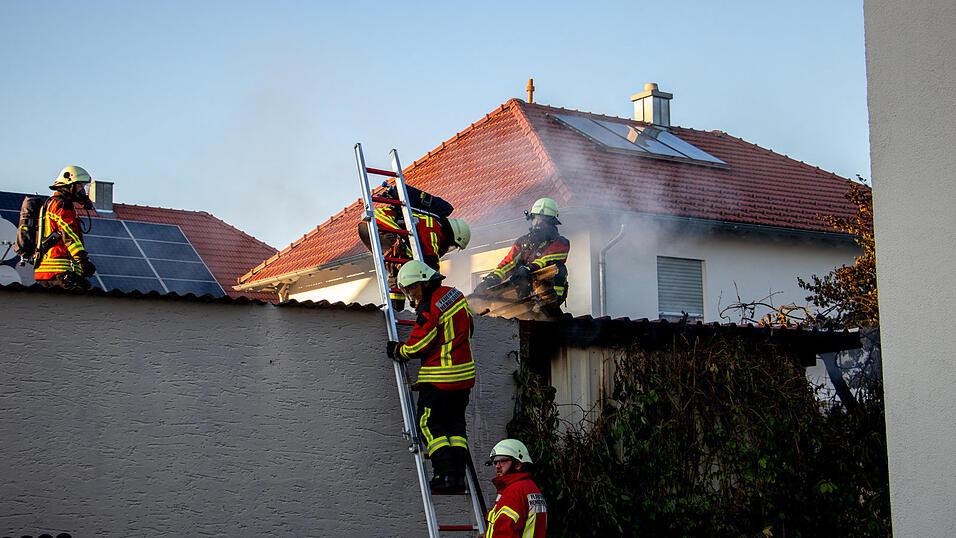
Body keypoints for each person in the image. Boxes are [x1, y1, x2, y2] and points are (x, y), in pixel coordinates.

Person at [386, 260, 475, 492]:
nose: (411, 295)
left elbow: (419, 345)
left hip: (440, 379)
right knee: (455, 428)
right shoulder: (455, 295)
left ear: (424, 282)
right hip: (463, 378)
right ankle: (457, 476)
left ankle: (445, 475)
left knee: (428, 424)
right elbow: (470, 327)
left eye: (412, 288)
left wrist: (399, 350)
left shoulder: (430, 306)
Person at [359, 204, 471, 310]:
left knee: (401, 267)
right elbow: (431, 259)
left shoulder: (431, 224)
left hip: (371, 226)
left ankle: (396, 309)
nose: (448, 248)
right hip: (379, 224)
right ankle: (395, 309)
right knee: (405, 267)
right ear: (453, 235)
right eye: (452, 245)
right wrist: (434, 288)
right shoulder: (433, 227)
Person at [476, 198, 569, 317]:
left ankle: (549, 305)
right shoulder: (523, 242)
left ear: (552, 223)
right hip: (523, 292)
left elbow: (548, 259)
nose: (537, 223)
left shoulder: (561, 242)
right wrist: (491, 279)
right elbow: (509, 263)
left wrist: (528, 269)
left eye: (542, 220)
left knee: (559, 269)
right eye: (535, 219)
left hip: (548, 293)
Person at [34, 165, 96, 290]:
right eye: (80, 186)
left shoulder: (53, 203)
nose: (82, 191)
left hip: (54, 269)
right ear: (69, 185)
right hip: (59, 268)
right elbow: (68, 233)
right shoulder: (61, 205)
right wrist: (82, 260)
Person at [485, 438, 548, 537]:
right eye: (495, 462)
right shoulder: (531, 488)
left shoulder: (514, 491)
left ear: (518, 464)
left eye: (503, 461)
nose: (497, 466)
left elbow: (505, 531)